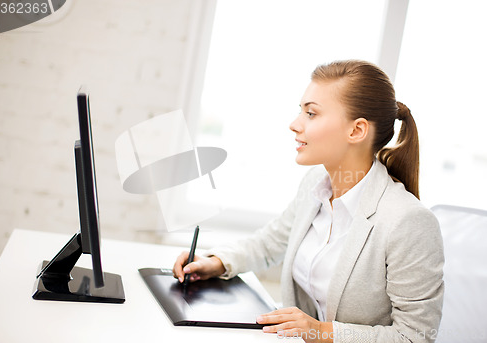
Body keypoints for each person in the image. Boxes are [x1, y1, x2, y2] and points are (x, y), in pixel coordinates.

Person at [172, 60, 444, 343]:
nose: (294, 124)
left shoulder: (407, 221)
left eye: (311, 113)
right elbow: (271, 243)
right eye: (300, 111)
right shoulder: (316, 183)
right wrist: (217, 262)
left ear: (357, 131)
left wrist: (321, 332)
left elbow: (416, 336)